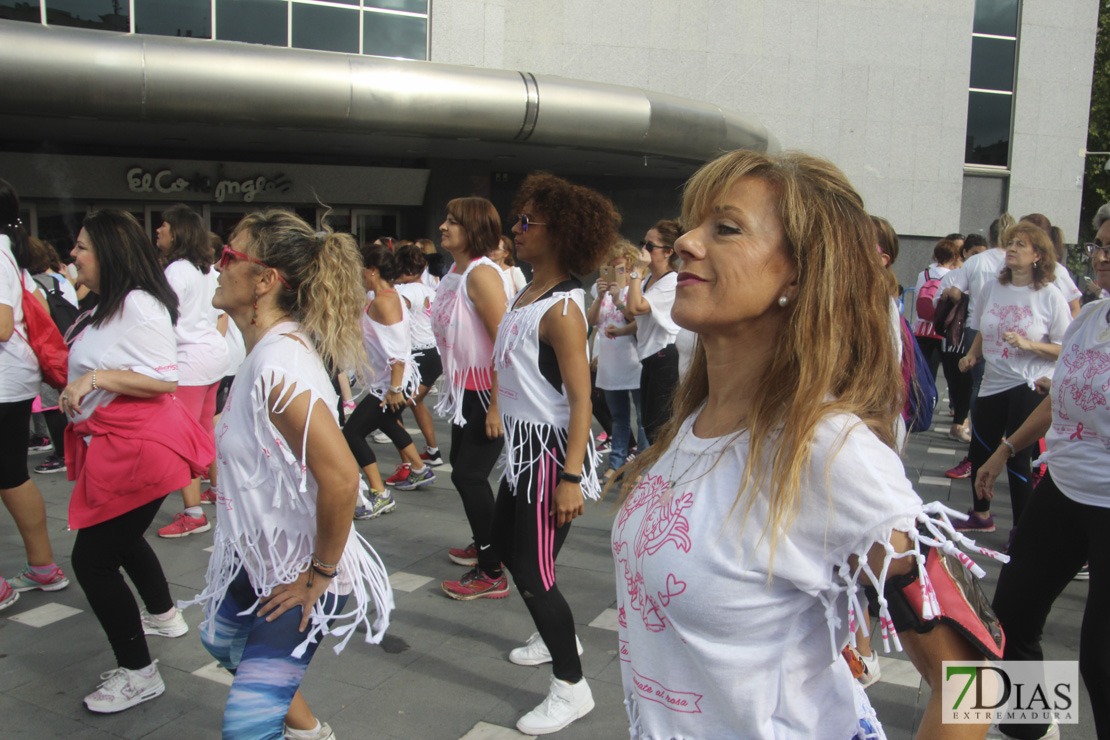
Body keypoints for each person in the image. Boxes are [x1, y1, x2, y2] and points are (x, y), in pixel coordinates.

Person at [613, 150, 1001, 739]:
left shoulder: (830, 450)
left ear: (796, 274)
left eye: (726, 228)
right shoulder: (689, 424)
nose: (688, 242)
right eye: (691, 224)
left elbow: (978, 674)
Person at [184, 210, 393, 739]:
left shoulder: (278, 366)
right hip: (261, 558)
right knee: (220, 640)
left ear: (264, 280)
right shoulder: (266, 355)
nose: (217, 264)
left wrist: (317, 577)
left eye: (230, 256)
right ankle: (309, 731)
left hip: (297, 570)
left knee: (246, 729)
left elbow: (344, 479)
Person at [61, 209, 213, 712]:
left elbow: (165, 379)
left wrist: (95, 379)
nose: (74, 255)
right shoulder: (107, 303)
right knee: (119, 541)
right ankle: (165, 616)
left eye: (82, 247)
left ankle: (139, 672)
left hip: (141, 448)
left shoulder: (141, 305)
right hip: (114, 444)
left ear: (107, 252)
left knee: (92, 560)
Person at [492, 173, 617, 735]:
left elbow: (581, 399)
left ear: (559, 233)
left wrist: (570, 477)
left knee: (535, 575)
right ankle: (551, 641)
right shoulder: (525, 292)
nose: (516, 229)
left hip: (548, 457)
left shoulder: (563, 308)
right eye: (517, 219)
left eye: (526, 223)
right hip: (522, 453)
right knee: (512, 556)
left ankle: (572, 686)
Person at [975, 225, 1110, 740]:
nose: (1100, 257)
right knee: (1009, 616)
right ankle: (1029, 729)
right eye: (1099, 245)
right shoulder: (1092, 317)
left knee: (1100, 661)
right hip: (1064, 489)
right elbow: (1057, 400)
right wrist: (1006, 449)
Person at [956, 222, 1070, 533]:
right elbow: (983, 328)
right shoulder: (994, 286)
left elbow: (1064, 348)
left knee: (1017, 458)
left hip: (1029, 383)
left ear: (1038, 255)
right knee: (980, 451)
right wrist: (972, 355)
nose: (1012, 248)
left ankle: (1022, 529)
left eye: (1020, 244)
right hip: (992, 381)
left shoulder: (1050, 296)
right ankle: (981, 516)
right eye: (1010, 243)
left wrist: (1028, 344)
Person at [430, 197, 510, 599]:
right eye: (445, 220)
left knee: (469, 475)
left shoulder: (482, 275)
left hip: (487, 393)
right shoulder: (455, 272)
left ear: (474, 229)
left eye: (453, 222)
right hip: (465, 390)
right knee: (461, 470)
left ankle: (493, 570)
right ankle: (487, 543)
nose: (444, 227)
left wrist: (497, 404)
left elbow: (505, 344)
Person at [0, 178, 69, 611]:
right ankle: (42, 567)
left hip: (4, 380)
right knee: (9, 473)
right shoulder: (8, 252)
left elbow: (2, 326)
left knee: (9, 473)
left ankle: (38, 570)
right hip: (12, 380)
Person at [153, 204, 230, 538]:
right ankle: (215, 489)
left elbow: (163, 321)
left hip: (188, 362)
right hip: (213, 356)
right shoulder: (206, 270)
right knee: (203, 431)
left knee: (183, 438)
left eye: (164, 226)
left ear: (178, 232)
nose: (158, 230)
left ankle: (194, 512)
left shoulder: (176, 271)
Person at [342, 242, 432, 513]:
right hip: (389, 382)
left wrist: (394, 388)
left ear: (371, 270)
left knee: (352, 433)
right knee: (390, 423)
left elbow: (398, 351)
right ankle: (418, 468)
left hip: (390, 385)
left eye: (360, 269)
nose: (357, 275)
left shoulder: (385, 300)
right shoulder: (383, 297)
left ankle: (380, 494)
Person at [588, 238, 647, 475]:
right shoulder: (597, 290)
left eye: (620, 267)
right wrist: (601, 297)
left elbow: (639, 323)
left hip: (635, 360)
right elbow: (591, 323)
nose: (615, 272)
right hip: (610, 361)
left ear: (631, 267)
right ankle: (616, 463)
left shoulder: (637, 289)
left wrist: (619, 301)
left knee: (643, 417)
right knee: (618, 417)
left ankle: (641, 464)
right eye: (610, 267)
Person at [622, 219, 681, 443]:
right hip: (650, 356)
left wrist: (636, 269)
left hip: (665, 354)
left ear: (667, 252)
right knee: (649, 422)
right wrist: (620, 331)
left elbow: (635, 307)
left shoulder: (671, 281)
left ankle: (663, 475)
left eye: (649, 246)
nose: (643, 251)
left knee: (659, 424)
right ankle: (658, 472)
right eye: (643, 243)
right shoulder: (648, 280)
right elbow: (638, 315)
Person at [393, 244, 443, 466]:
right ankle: (432, 452)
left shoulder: (404, 292)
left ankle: (411, 466)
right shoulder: (431, 291)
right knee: (416, 403)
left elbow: (392, 317)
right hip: (433, 355)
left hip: (418, 357)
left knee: (390, 410)